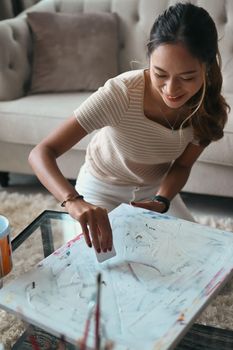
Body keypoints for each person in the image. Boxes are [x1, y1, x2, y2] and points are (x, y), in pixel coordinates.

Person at [28, 2, 229, 254]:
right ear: (149, 59)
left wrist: (161, 200)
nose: (171, 89)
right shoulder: (121, 93)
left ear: (208, 67)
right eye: (160, 74)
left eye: (187, 78)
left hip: (153, 193)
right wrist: (74, 201)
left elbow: (182, 165)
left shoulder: (209, 110)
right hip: (99, 190)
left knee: (199, 256)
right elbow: (42, 152)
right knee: (108, 265)